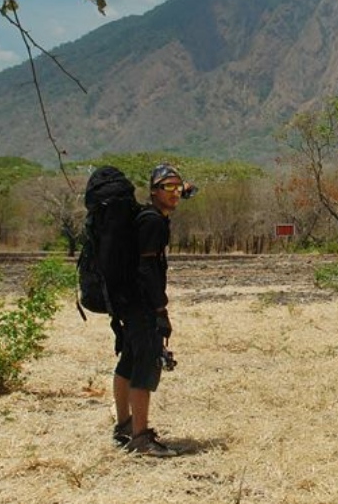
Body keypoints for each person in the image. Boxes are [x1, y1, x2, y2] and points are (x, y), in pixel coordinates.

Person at [112, 163, 195, 457]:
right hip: (143, 304)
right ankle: (141, 438)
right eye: (167, 187)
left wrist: (183, 190)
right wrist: (160, 309)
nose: (174, 192)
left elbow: (177, 192)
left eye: (177, 186)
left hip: (129, 302)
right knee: (145, 367)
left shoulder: (148, 216)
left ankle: (124, 425)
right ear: (153, 191)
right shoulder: (152, 223)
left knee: (128, 362)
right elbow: (147, 268)